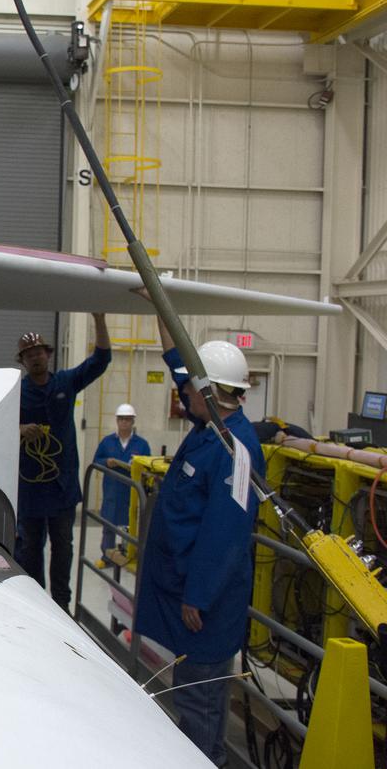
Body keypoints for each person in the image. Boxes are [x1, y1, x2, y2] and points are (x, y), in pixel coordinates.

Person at [134, 310, 261, 767]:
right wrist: (158, 307)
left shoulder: (236, 452)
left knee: (198, 702)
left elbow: (226, 533)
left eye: (191, 387)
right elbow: (179, 364)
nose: (183, 391)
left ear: (211, 391)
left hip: (207, 607)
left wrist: (199, 596)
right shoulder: (212, 427)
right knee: (198, 696)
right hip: (191, 594)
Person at [14, 314, 111, 610]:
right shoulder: (16, 391)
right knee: (30, 548)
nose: (35, 358)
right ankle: (36, 606)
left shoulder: (66, 383)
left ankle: (60, 605)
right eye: (29, 355)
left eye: (39, 352)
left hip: (61, 487)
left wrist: (100, 319)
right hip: (30, 488)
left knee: (63, 547)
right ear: (23, 361)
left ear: (49, 354)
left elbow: (101, 359)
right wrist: (18, 429)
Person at [91, 403, 151, 568]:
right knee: (109, 526)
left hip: (132, 493)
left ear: (133, 422)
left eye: (128, 419)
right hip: (112, 491)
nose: (124, 422)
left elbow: (148, 467)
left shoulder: (142, 444)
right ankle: (107, 557)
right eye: (122, 419)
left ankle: (128, 556)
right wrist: (106, 462)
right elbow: (96, 461)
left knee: (130, 527)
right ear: (117, 421)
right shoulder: (107, 442)